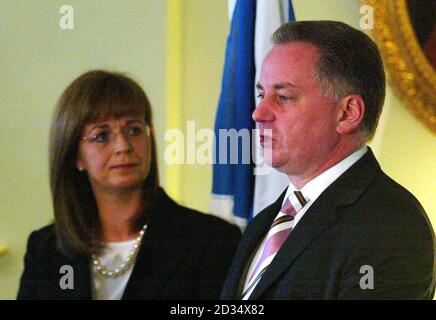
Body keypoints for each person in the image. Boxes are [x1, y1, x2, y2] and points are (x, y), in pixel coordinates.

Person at [221, 21, 435, 300]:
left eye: (283, 97)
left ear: (347, 113)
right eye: (262, 94)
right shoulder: (264, 222)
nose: (259, 113)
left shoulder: (391, 226)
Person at [17, 70, 241, 300]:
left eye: (134, 130)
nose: (123, 146)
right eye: (102, 136)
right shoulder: (46, 249)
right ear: (76, 155)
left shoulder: (211, 241)